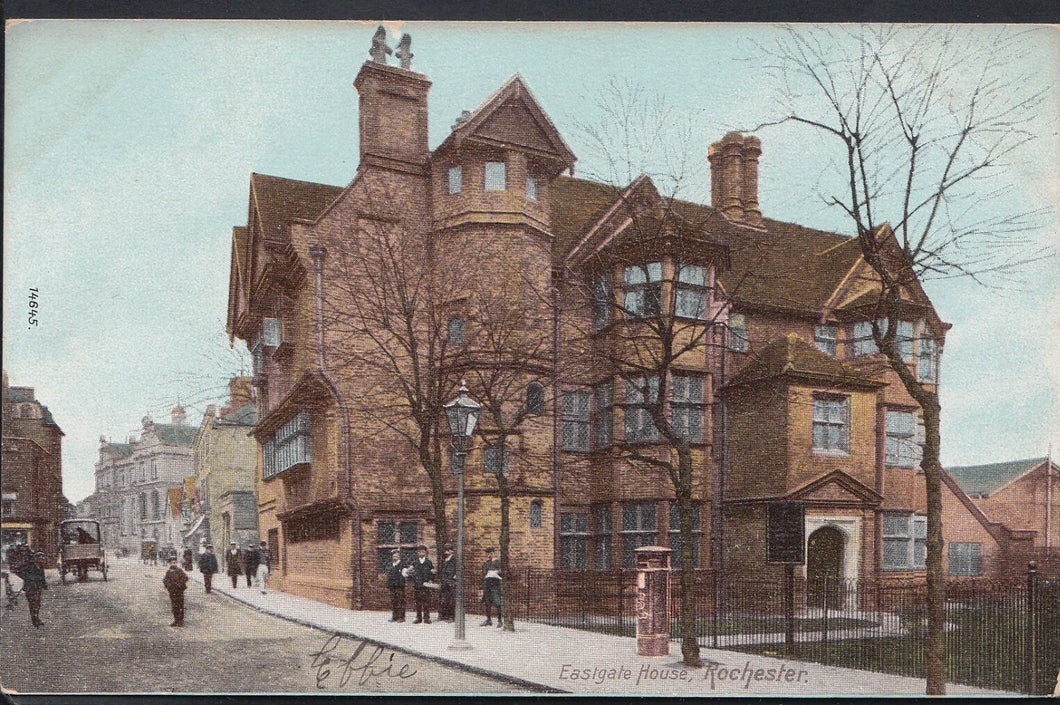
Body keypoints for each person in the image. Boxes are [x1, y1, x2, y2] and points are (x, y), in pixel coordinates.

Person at [409, 544, 434, 624]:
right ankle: (418, 618)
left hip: (426, 585)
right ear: (418, 553)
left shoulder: (428, 562)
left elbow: (432, 573)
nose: (421, 553)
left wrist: (430, 580)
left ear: (426, 553)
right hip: (417, 585)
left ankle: (426, 618)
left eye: (423, 551)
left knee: (426, 602)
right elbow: (411, 572)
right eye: (419, 552)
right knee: (418, 602)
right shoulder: (415, 562)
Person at [22, 551, 48, 628]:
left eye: (43, 557)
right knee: (33, 604)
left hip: (37, 588)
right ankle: (34, 619)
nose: (43, 559)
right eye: (41, 558)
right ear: (36, 559)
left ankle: (36, 618)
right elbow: (27, 577)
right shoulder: (31, 567)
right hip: (30, 588)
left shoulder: (40, 567)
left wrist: (44, 585)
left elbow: (42, 578)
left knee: (37, 604)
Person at [480, 546, 503, 627]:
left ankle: (500, 620)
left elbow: (502, 572)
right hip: (487, 583)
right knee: (487, 602)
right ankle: (488, 620)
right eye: (488, 553)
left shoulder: (498, 562)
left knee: (497, 602)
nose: (489, 555)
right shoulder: (486, 563)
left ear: (493, 553)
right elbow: (483, 573)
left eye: (490, 553)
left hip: (495, 583)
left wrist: (497, 572)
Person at [163, 556, 188, 627]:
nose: (173, 564)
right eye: (172, 563)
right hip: (172, 591)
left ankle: (181, 621)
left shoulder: (179, 571)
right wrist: (168, 585)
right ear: (169, 563)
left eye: (175, 562)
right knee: (174, 606)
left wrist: (179, 584)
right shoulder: (168, 572)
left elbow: (185, 578)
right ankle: (176, 620)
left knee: (180, 606)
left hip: (179, 591)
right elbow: (165, 580)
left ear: (176, 563)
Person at [386, 550, 406, 622]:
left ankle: (401, 617)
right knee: (394, 601)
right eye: (394, 556)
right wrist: (389, 584)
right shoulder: (391, 565)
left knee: (400, 601)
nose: (395, 557)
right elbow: (389, 575)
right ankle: (394, 616)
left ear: (399, 556)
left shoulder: (402, 565)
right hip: (392, 586)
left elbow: (405, 575)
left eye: (396, 556)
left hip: (399, 586)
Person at [438, 544, 457, 622]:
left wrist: (454, 578)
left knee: (451, 600)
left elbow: (458, 569)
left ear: (452, 551)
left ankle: (451, 616)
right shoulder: (445, 560)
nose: (447, 552)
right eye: (446, 550)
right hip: (444, 582)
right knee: (444, 599)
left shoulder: (455, 559)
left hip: (451, 582)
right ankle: (444, 615)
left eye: (448, 550)